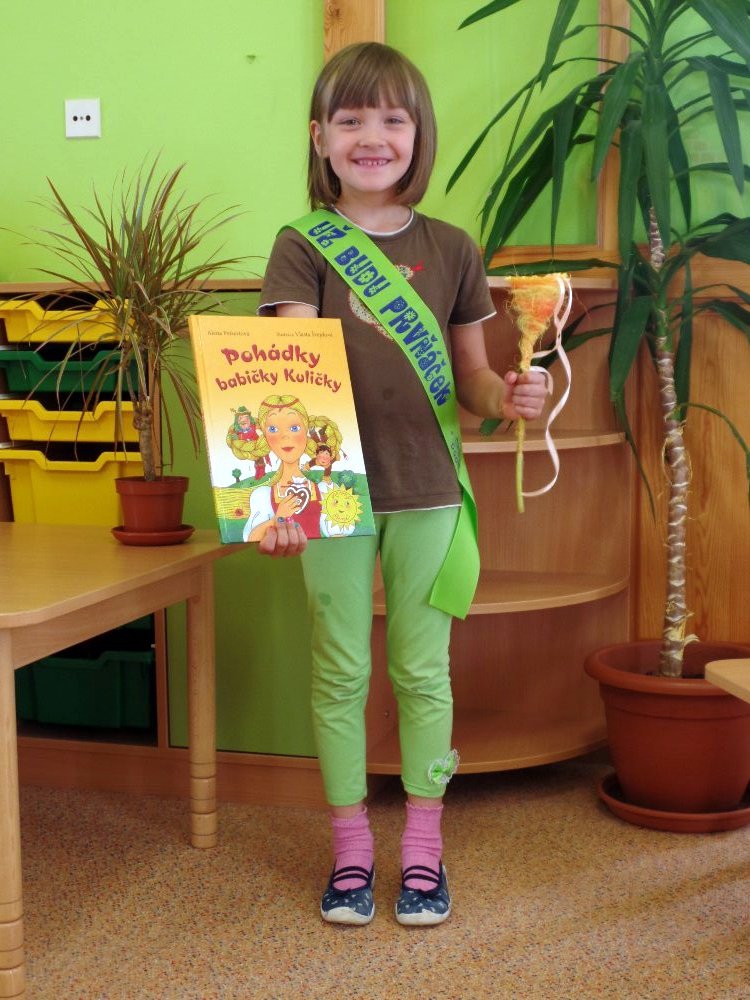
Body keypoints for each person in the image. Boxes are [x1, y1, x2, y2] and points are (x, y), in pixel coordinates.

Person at [256, 41, 548, 926]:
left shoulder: (454, 247)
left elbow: (472, 380)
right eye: (350, 120)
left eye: (392, 119)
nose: (371, 136)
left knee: (424, 672)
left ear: (418, 135)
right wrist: (278, 498)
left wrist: (510, 397)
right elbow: (287, 384)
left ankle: (423, 848)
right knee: (340, 668)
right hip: (334, 495)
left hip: (429, 491)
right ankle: (351, 848)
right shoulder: (301, 246)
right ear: (320, 137)